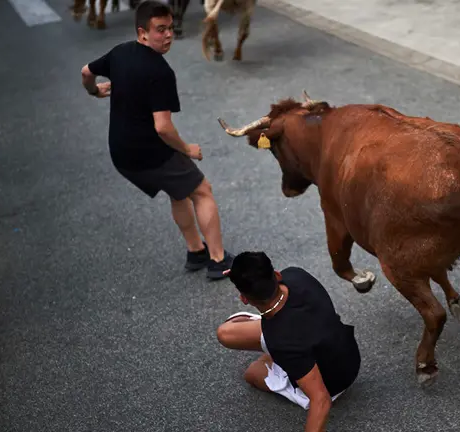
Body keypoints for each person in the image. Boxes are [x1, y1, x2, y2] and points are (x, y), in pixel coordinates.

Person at [79, 0, 233, 279]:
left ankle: (196, 251)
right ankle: (218, 260)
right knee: (202, 190)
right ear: (143, 33)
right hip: (148, 153)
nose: (168, 35)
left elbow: (86, 72)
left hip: (121, 155)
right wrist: (188, 149)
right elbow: (162, 127)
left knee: (178, 189)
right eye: (160, 30)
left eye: (170, 29)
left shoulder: (120, 52)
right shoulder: (160, 72)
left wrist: (93, 91)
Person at [216, 251, 361, 431]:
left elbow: (321, 400)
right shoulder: (295, 275)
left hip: (334, 383)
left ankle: (279, 362)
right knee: (225, 332)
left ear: (244, 299)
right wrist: (245, 274)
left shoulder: (281, 340)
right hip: (346, 354)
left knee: (252, 373)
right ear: (277, 275)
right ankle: (279, 353)